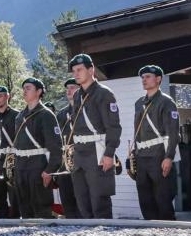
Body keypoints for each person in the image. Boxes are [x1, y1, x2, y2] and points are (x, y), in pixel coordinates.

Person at [68, 53, 121, 219]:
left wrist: (109, 153)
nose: (76, 74)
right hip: (80, 152)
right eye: (73, 71)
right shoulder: (77, 95)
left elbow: (113, 127)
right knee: (82, 200)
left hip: (97, 151)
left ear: (91, 70)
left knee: (100, 200)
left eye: (79, 69)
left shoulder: (104, 94)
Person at [131, 65, 180, 220]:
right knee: (145, 200)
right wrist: (133, 156)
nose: (144, 80)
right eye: (142, 77)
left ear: (158, 79)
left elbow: (173, 133)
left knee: (163, 200)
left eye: (148, 77)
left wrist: (169, 157)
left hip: (159, 155)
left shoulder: (166, 102)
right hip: (142, 156)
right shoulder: (139, 103)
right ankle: (150, 233)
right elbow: (137, 132)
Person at [11, 78, 63, 218]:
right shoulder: (20, 116)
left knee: (41, 207)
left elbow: (56, 146)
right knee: (24, 206)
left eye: (28, 88)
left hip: (38, 165)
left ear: (39, 91)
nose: (24, 91)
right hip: (21, 166)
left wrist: (50, 170)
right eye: (23, 88)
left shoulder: (46, 115)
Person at [53, 78, 81, 218]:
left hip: (81, 159)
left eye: (72, 87)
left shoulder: (85, 108)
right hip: (64, 163)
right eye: (67, 88)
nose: (69, 91)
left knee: (82, 200)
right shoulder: (61, 114)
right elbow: (56, 141)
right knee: (67, 198)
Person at [0, 86, 18, 218]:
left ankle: (15, 222)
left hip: (13, 158)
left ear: (7, 97)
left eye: (0, 96)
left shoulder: (17, 116)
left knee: (14, 196)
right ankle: (2, 222)